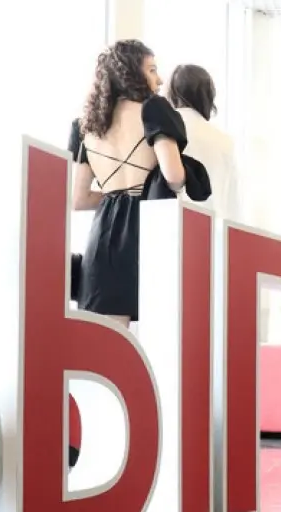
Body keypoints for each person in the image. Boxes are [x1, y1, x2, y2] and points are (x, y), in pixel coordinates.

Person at [70, 40, 210, 328]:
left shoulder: (85, 125)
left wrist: (116, 198)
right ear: (131, 72)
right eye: (152, 70)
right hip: (148, 227)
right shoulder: (154, 110)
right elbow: (174, 176)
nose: (159, 80)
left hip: (104, 234)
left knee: (109, 339)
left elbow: (79, 199)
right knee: (162, 333)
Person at [167, 64, 240, 221]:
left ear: (172, 94)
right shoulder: (224, 141)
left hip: (170, 221)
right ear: (208, 96)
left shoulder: (162, 131)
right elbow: (232, 204)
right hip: (213, 225)